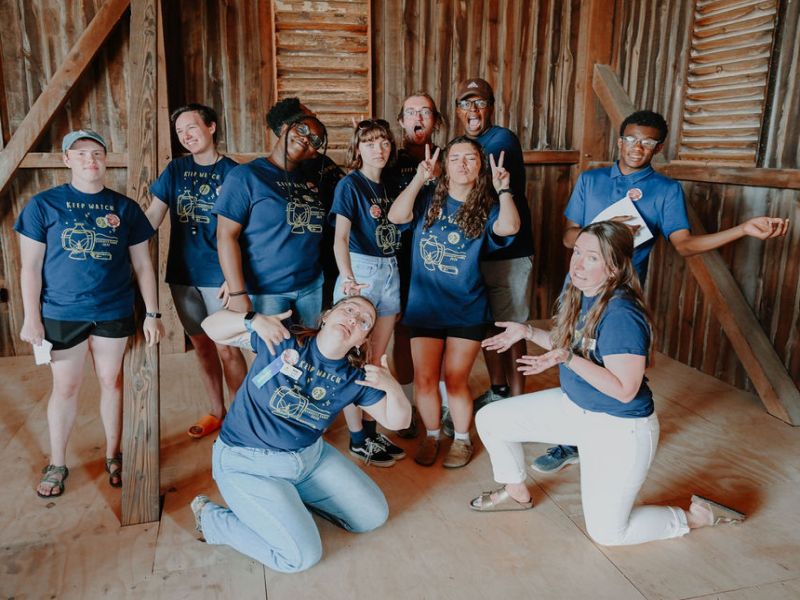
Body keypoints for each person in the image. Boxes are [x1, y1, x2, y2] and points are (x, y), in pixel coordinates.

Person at [534, 109, 790, 473]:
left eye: (648, 142)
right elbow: (567, 235)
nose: (638, 147)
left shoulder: (667, 190)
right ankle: (572, 438)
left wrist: (742, 230)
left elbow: (684, 245)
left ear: (658, 148)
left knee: (613, 363)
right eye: (631, 139)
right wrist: (600, 237)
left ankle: (616, 431)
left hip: (618, 297)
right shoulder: (591, 180)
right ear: (619, 140)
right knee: (570, 356)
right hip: (578, 284)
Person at [470, 221, 745, 546]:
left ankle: (698, 517)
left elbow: (624, 389)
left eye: (592, 258)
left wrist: (567, 359)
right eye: (577, 252)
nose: (578, 263)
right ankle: (517, 493)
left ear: (614, 267)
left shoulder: (621, 315)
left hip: (619, 428)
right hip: (576, 409)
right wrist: (528, 332)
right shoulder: (582, 293)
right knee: (491, 418)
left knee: (608, 534)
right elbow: (569, 344)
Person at [191, 297, 412, 573]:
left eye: (364, 321)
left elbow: (398, 420)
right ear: (327, 316)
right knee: (299, 558)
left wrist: (392, 386)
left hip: (310, 460)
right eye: (349, 309)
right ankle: (211, 518)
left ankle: (292, 500)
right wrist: (252, 320)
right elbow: (210, 327)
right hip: (247, 463)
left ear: (361, 339)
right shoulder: (284, 337)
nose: (354, 319)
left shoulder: (354, 377)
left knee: (372, 516)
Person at [15, 129, 163, 497]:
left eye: (96, 152)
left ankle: (114, 455)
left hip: (113, 309)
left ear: (106, 159)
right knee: (66, 386)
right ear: (67, 160)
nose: (89, 160)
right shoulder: (43, 205)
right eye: (80, 154)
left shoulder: (124, 208)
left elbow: (143, 265)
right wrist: (31, 317)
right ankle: (58, 462)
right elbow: (30, 268)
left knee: (112, 382)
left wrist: (153, 313)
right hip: (62, 312)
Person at [388, 136, 520, 468]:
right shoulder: (427, 200)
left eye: (471, 159)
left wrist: (504, 189)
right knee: (425, 379)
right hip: (425, 307)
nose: (462, 164)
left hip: (466, 308)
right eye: (455, 158)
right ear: (445, 166)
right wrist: (420, 177)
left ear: (481, 167)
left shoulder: (488, 207)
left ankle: (461, 439)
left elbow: (509, 228)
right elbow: (395, 216)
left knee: (455, 378)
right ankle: (433, 435)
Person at [146, 103, 247, 438]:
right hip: (183, 275)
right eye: (180, 132)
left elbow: (249, 231)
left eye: (192, 127)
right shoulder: (175, 171)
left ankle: (242, 417)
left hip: (219, 279)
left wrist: (234, 278)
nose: (186, 136)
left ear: (211, 127)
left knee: (227, 348)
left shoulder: (235, 173)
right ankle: (217, 412)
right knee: (201, 346)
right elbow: (152, 218)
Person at [454, 78, 535, 414]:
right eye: (465, 103)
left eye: (480, 102)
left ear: (490, 106)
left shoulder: (501, 139)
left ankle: (518, 405)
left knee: (512, 327)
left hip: (509, 251)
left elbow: (476, 184)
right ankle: (499, 390)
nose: (473, 110)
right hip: (480, 251)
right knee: (489, 324)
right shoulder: (463, 143)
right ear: (457, 110)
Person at [332, 119, 406, 467]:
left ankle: (373, 431)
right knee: (351, 358)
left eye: (384, 142)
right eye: (371, 142)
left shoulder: (390, 184)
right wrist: (347, 277)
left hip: (390, 270)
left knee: (377, 358)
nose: (379, 148)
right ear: (358, 149)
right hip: (362, 271)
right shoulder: (350, 185)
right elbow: (341, 238)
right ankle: (357, 435)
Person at [214, 109, 330, 325]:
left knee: (309, 352)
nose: (306, 138)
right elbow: (225, 236)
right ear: (284, 129)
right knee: (273, 355)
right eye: (301, 129)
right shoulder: (246, 176)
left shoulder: (311, 182)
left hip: (311, 287)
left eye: (315, 139)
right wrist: (238, 293)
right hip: (267, 291)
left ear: (314, 153)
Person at [389, 91, 446, 439]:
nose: (418, 118)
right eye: (411, 112)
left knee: (439, 329)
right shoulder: (388, 157)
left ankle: (440, 401)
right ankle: (409, 402)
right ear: (401, 121)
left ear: (435, 120)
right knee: (402, 327)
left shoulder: (450, 155)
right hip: (397, 253)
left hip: (439, 256)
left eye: (425, 111)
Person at [266, 98, 344, 308]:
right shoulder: (278, 172)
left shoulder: (323, 162)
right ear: (286, 128)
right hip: (301, 264)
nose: (313, 122)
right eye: (304, 122)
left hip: (331, 258)